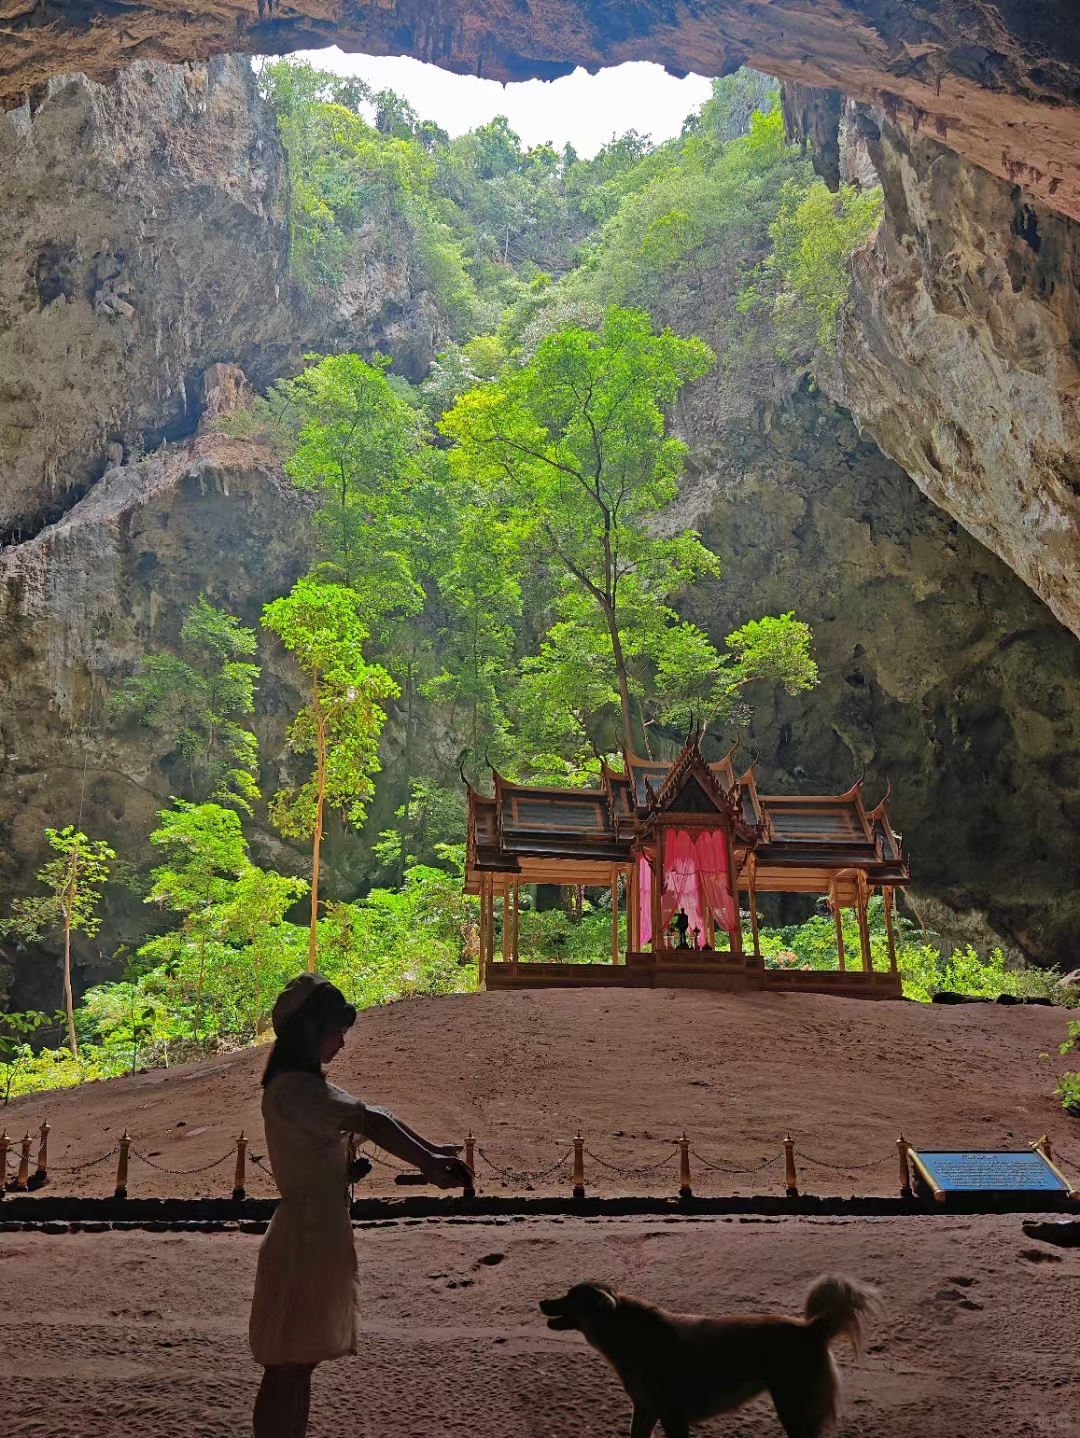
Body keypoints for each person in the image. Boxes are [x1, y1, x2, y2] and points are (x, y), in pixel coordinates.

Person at [250, 973, 472, 1438]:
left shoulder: (299, 1090)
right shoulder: (296, 1090)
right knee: (287, 1365)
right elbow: (371, 1119)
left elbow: (363, 1125)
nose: (342, 1043)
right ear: (311, 1030)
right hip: (306, 1238)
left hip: (319, 1232)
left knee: (299, 1362)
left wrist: (429, 1152)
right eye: (337, 1031)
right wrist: (429, 1159)